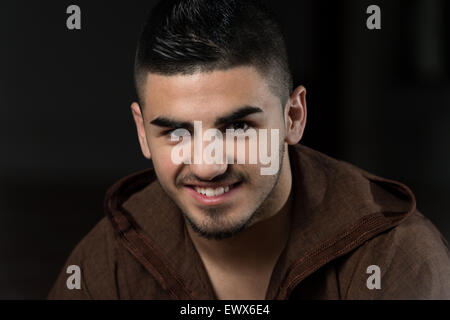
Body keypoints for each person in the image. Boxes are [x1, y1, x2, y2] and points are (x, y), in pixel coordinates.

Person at [48, 0, 450, 299]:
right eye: (175, 132)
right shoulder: (108, 260)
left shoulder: (395, 259)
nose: (207, 166)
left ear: (293, 117)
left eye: (238, 127)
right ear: (141, 132)